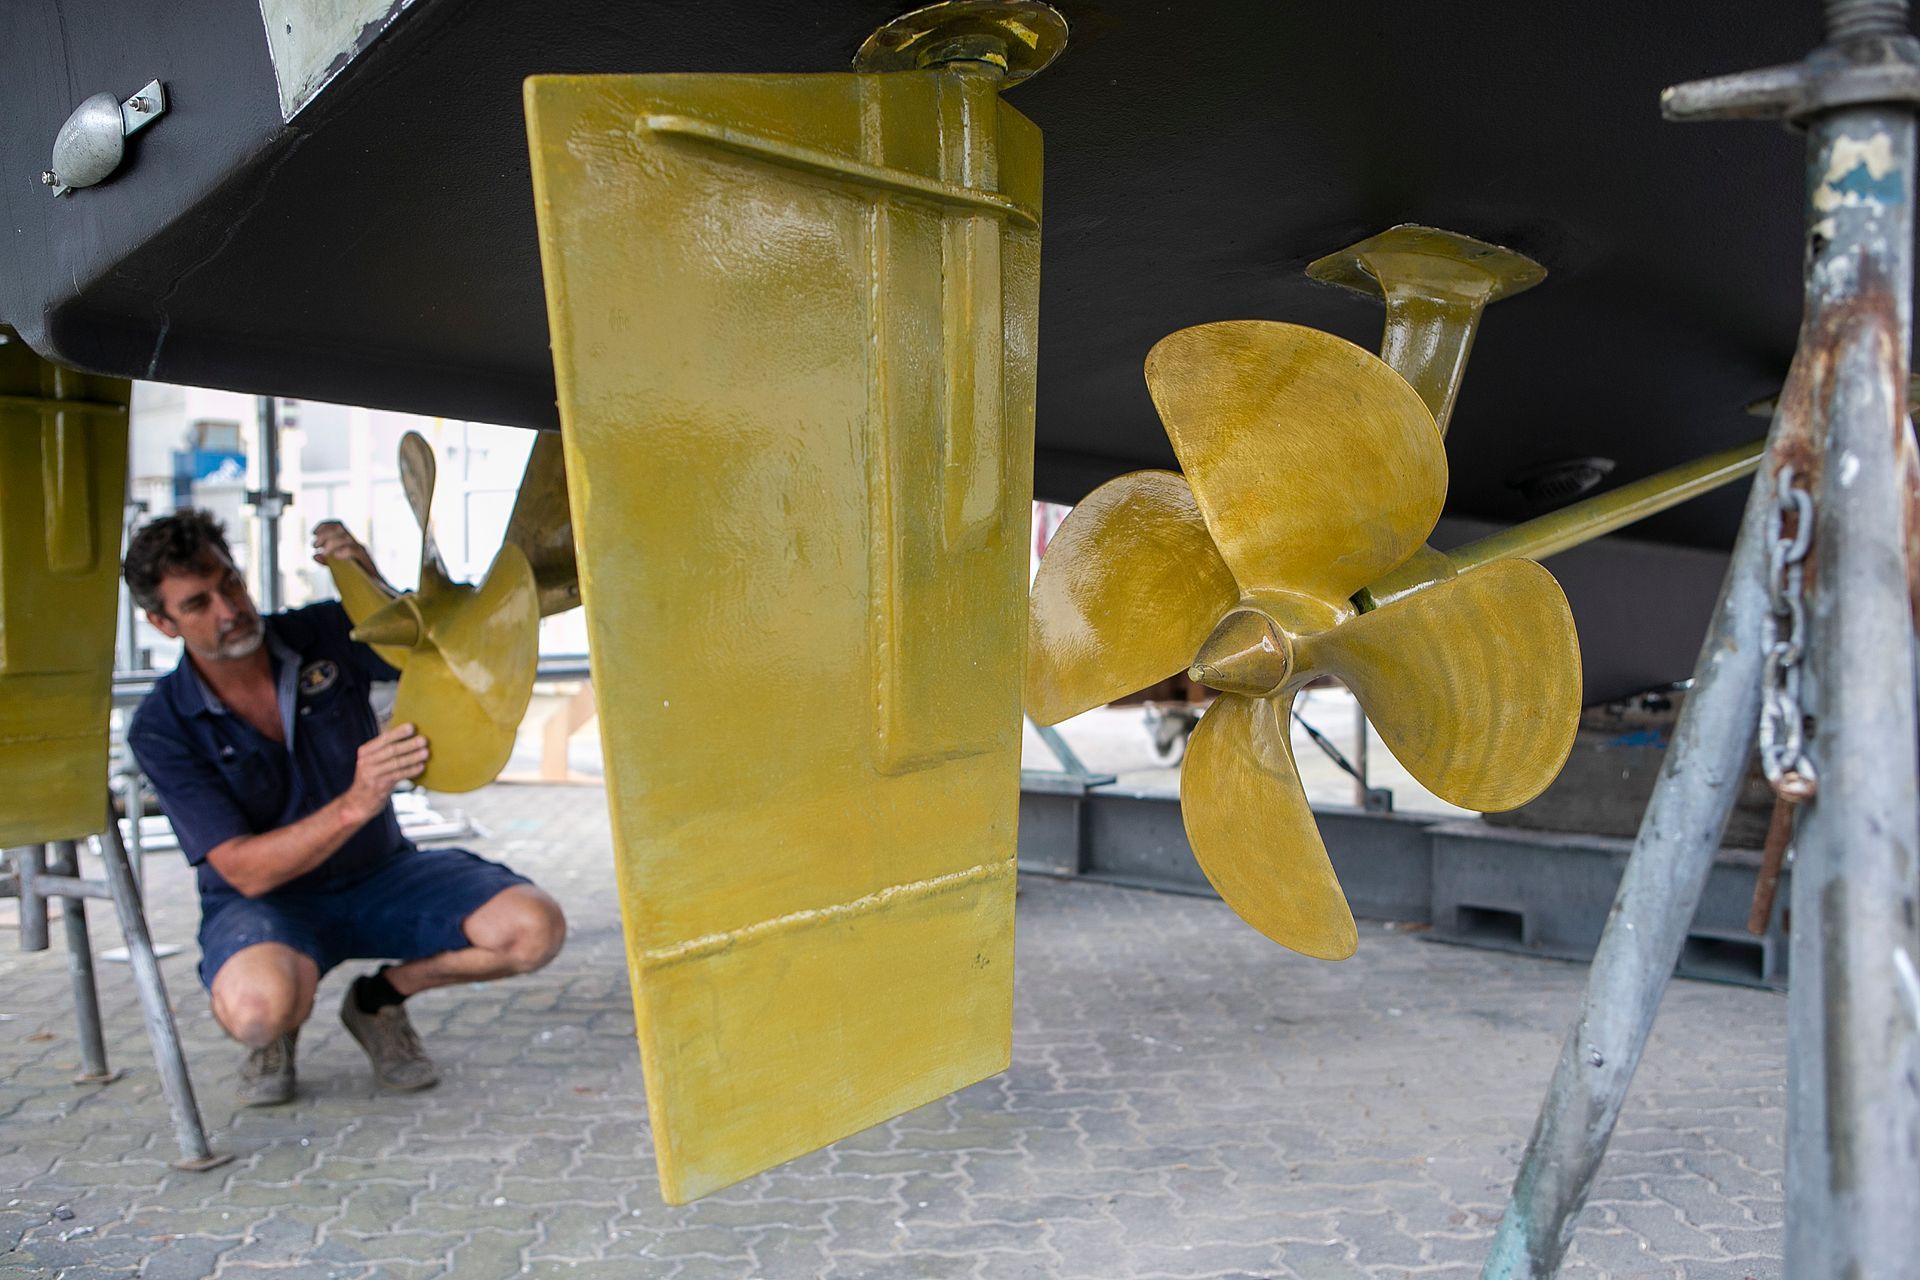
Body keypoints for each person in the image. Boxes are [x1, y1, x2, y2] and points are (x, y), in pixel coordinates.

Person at [123, 510, 567, 1106]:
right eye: (198, 604)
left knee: (534, 929)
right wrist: (357, 802)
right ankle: (280, 1025)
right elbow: (244, 871)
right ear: (162, 623)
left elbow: (432, 653)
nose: (229, 610)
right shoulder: (163, 725)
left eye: (230, 582)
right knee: (257, 1011)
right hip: (266, 903)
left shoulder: (325, 632)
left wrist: (370, 586)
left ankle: (377, 1001)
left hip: (381, 871)